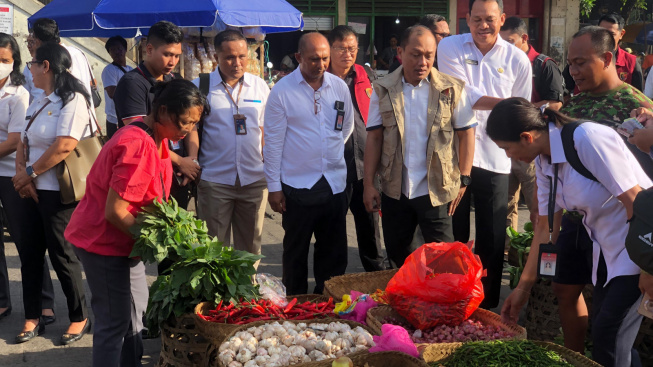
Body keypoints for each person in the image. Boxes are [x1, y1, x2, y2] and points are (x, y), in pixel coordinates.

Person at [493, 98, 650, 367]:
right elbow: (545, 227)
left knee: (608, 337)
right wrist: (522, 289)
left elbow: (638, 202)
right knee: (608, 335)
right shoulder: (544, 162)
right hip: (605, 253)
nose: (508, 156)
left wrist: (650, 267)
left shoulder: (587, 139)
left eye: (507, 149)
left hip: (637, 250)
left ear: (526, 137)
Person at [65, 79, 206, 367]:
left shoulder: (156, 135)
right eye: (183, 122)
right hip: (104, 244)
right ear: (163, 111)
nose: (187, 130)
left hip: (126, 245)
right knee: (114, 324)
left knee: (134, 314)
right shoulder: (138, 143)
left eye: (193, 124)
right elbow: (115, 212)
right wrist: (158, 245)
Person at [550, 26, 653, 355]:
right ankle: (575, 357)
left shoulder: (636, 104)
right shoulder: (573, 105)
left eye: (581, 62)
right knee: (565, 289)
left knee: (612, 319)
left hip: (620, 227)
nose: (573, 71)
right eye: (570, 63)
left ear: (608, 58)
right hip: (577, 219)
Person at [437, 0, 532, 309]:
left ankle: (488, 302)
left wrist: (506, 106)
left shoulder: (518, 60)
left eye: (489, 19)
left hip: (496, 156)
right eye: (476, 19)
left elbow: (521, 108)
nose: (483, 25)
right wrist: (504, 103)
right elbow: (458, 92)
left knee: (493, 235)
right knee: (456, 231)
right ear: (466, 19)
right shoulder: (450, 47)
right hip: (454, 156)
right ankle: (456, 295)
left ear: (502, 19)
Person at [363, 25, 476, 267]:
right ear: (401, 53)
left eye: (429, 55)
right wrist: (369, 183)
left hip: (437, 190)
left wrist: (464, 178)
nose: (423, 62)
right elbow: (374, 137)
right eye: (415, 54)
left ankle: (440, 304)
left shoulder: (451, 88)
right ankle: (408, 303)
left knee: (442, 260)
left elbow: (467, 133)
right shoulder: (383, 89)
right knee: (401, 258)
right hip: (396, 189)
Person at [13, 42, 91, 345]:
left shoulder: (73, 101)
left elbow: (65, 145)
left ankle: (78, 316)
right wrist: (23, 175)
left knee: (62, 256)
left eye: (33, 63)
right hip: (29, 191)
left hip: (57, 193)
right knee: (30, 255)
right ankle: (32, 316)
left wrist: (31, 173)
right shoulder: (38, 99)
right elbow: (23, 138)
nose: (29, 69)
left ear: (46, 66)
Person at [264, 32, 354, 295]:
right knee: (296, 254)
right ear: (298, 57)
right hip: (297, 186)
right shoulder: (282, 91)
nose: (321, 64)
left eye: (325, 58)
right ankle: (295, 306)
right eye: (314, 59)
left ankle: (328, 305)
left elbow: (345, 127)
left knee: (334, 255)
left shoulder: (338, 87)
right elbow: (273, 142)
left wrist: (328, 150)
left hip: (334, 184)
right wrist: (274, 187)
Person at [192, 30, 269, 264]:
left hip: (254, 180)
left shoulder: (260, 87)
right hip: (215, 180)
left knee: (251, 250)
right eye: (230, 58)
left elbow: (265, 130)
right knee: (214, 252)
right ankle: (217, 300)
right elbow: (191, 128)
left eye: (242, 56)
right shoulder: (200, 87)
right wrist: (194, 161)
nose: (237, 63)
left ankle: (248, 296)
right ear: (217, 57)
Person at [0, 33, 57, 324]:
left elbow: (14, 141)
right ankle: (1, 300)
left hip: (12, 172)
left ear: (14, 63)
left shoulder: (21, 94)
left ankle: (44, 302)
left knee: (26, 240)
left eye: (4, 60)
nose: (0, 64)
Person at [114, 21, 199, 211]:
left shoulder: (174, 81)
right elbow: (139, 135)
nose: (172, 62)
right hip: (148, 173)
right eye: (167, 54)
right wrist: (180, 162)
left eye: (177, 56)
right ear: (149, 49)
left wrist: (191, 161)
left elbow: (191, 126)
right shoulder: (132, 83)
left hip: (179, 174)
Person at [327, 25, 385, 272]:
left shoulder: (367, 76)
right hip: (334, 168)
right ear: (330, 49)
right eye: (341, 48)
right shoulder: (321, 79)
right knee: (334, 228)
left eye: (352, 49)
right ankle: (333, 279)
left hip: (365, 166)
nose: (347, 54)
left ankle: (376, 276)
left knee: (370, 228)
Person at [499, 16, 565, 235]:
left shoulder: (544, 65)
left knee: (538, 207)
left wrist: (522, 109)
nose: (504, 47)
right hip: (507, 145)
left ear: (524, 38)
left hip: (532, 146)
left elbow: (556, 103)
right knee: (505, 205)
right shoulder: (501, 63)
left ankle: (539, 252)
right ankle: (512, 251)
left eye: (509, 41)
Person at [564, 13, 643, 95]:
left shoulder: (631, 62)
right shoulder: (580, 58)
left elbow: (638, 95)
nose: (605, 38)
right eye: (601, 33)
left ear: (621, 34)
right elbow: (565, 88)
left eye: (611, 34)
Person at [23, 18, 95, 106]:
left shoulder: (42, 62)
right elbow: (91, 83)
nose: (29, 46)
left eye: (32, 42)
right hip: (84, 113)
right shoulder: (79, 52)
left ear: (37, 41)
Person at [101, 36, 133, 139]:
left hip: (130, 117)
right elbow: (112, 93)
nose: (116, 52)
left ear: (125, 49)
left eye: (119, 48)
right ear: (109, 53)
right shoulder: (109, 70)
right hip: (115, 120)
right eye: (112, 50)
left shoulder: (131, 69)